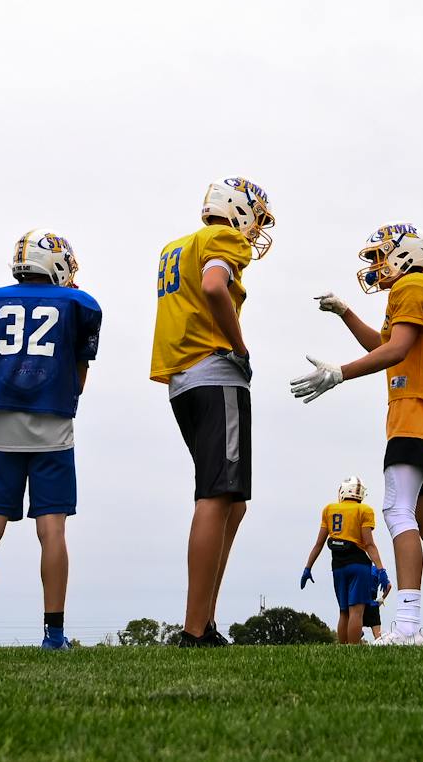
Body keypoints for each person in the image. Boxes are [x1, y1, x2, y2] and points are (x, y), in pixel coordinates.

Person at [294, 222, 423, 646]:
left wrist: (340, 373)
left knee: (396, 512)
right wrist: (345, 313)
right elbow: (385, 343)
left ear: (405, 253)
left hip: (415, 410)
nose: (376, 266)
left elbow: (395, 351)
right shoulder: (422, 291)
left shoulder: (413, 287)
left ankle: (408, 624)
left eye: (380, 256)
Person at [0, 229, 102, 652]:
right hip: (53, 426)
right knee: (52, 529)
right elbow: (79, 379)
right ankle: (54, 634)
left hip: (2, 425)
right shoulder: (81, 305)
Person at [151, 179, 273, 647]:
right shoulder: (221, 239)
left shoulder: (175, 246)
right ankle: (193, 629)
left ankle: (204, 620)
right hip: (214, 372)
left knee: (232, 504)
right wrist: (240, 348)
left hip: (182, 380)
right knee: (217, 495)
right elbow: (214, 286)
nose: (256, 228)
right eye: (255, 216)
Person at [299, 476, 387, 646]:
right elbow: (369, 544)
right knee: (357, 612)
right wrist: (381, 569)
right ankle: (352, 650)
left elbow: (319, 544)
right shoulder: (364, 510)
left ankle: (342, 647)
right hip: (359, 564)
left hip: (338, 566)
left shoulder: (329, 509)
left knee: (343, 611)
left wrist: (307, 567)